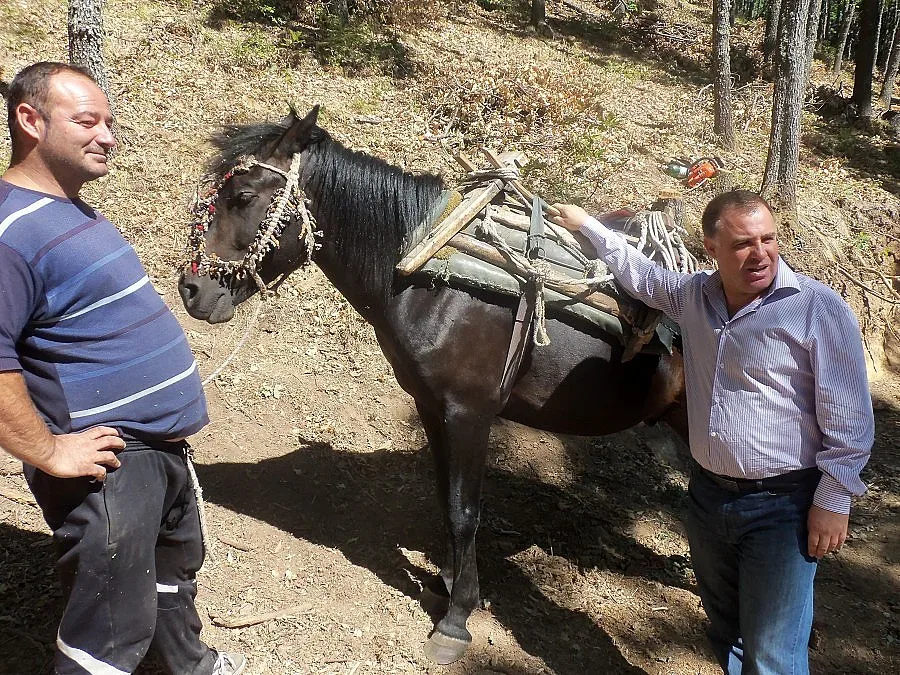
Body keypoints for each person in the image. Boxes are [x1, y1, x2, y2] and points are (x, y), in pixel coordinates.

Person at [551, 191, 874, 675]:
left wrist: (834, 499)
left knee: (773, 653)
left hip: (783, 507)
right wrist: (589, 227)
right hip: (709, 500)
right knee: (728, 635)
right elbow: (642, 276)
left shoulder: (816, 308)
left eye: (769, 239)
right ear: (711, 250)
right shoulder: (694, 295)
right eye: (744, 243)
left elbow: (849, 417)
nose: (760, 253)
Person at [0, 62, 246, 675]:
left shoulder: (69, 211)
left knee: (167, 583)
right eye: (86, 120)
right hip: (110, 463)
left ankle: (190, 668)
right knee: (106, 635)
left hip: (155, 452)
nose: (107, 135)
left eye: (110, 121)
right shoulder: (8, 233)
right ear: (30, 121)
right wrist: (52, 453)